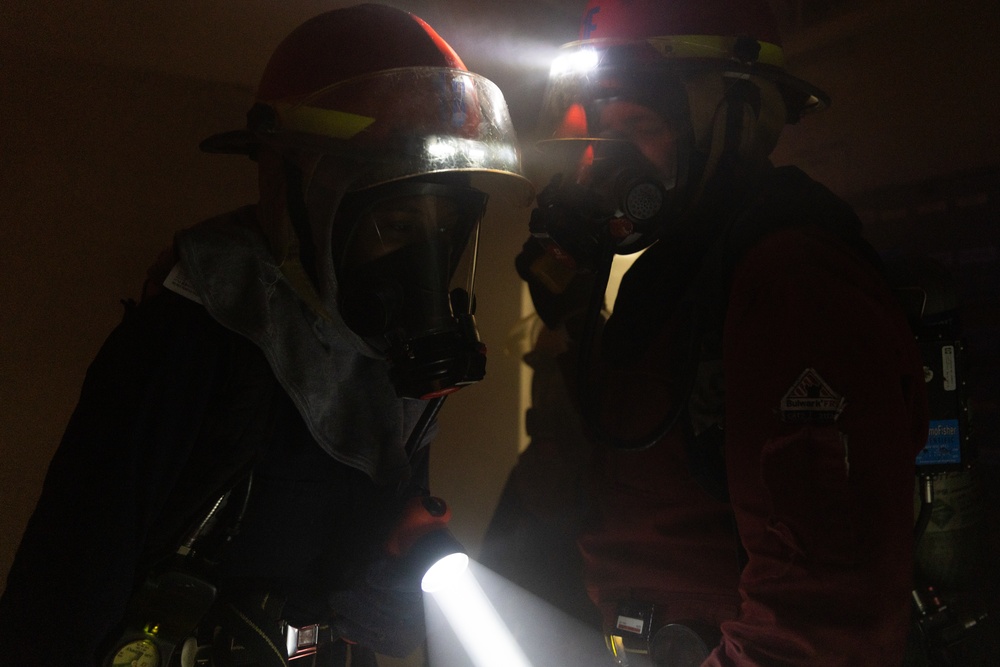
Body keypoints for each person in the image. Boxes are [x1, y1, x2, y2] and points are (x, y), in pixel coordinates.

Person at [0, 5, 531, 666]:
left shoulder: (394, 366)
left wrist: (391, 577)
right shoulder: (187, 339)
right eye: (395, 225)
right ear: (298, 190)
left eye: (442, 228)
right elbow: (58, 602)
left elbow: (362, 584)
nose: (420, 267)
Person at [480, 0, 929, 665]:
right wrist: (574, 326)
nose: (610, 163)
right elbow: (598, 481)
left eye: (642, 124)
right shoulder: (675, 277)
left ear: (737, 119)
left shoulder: (793, 278)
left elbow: (822, 615)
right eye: (608, 129)